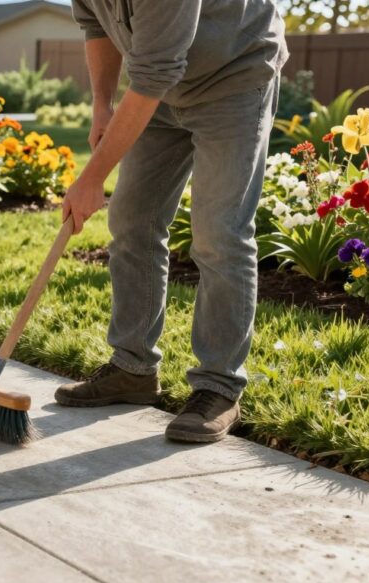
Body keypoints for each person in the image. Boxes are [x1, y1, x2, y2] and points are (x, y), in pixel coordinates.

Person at [54, 1, 288, 442]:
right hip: (159, 89)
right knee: (132, 220)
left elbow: (155, 72)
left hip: (233, 75)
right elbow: (95, 25)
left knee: (220, 232)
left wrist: (92, 177)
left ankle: (219, 386)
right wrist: (101, 104)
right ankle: (132, 368)